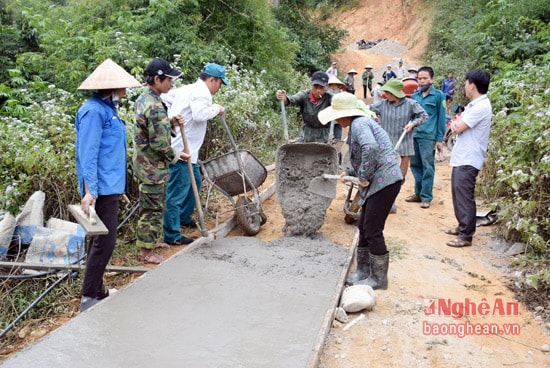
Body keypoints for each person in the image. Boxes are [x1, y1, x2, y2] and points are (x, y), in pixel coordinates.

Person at [318, 92, 403, 290]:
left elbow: (371, 148)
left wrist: (363, 176)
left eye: (338, 115)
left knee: (373, 230)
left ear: (346, 113)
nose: (337, 120)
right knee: (363, 226)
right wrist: (349, 172)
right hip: (380, 181)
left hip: (386, 182)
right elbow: (361, 154)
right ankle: (363, 271)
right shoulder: (358, 125)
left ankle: (379, 278)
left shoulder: (359, 124)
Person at [75, 58, 142, 311]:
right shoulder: (93, 111)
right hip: (100, 188)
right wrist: (90, 191)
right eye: (123, 88)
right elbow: (87, 153)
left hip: (111, 185)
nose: (125, 92)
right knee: (106, 241)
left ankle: (98, 291)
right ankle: (88, 297)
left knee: (100, 241)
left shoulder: (108, 110)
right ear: (111, 88)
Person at [161, 63, 229, 245]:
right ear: (212, 79)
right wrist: (217, 108)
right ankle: (172, 234)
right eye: (220, 84)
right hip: (183, 150)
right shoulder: (202, 92)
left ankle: (183, 217)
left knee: (195, 182)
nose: (219, 88)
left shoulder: (188, 89)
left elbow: (167, 98)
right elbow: (199, 114)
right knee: (177, 192)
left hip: (190, 149)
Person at [133, 57, 190, 264]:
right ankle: (146, 251)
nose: (171, 83)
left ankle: (151, 241)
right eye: (168, 79)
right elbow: (159, 144)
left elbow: (152, 129)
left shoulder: (145, 99)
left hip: (145, 163)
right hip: (152, 167)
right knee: (152, 208)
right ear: (157, 79)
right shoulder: (155, 106)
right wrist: (176, 155)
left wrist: (170, 122)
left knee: (152, 204)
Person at [445, 69, 492, 248]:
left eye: (465, 84)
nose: (464, 87)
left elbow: (457, 126)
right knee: (458, 193)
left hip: (469, 157)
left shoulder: (481, 106)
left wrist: (456, 123)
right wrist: (456, 123)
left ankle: (466, 235)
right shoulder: (474, 104)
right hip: (462, 156)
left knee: (464, 196)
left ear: (472, 85)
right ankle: (462, 226)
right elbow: (456, 122)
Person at [368, 78, 428, 212]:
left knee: (399, 177)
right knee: (384, 174)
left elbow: (424, 116)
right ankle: (386, 201)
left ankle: (391, 200)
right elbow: (368, 110)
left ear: (395, 93)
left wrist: (412, 124)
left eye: (388, 92)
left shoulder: (411, 104)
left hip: (404, 145)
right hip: (386, 145)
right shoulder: (383, 104)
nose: (385, 95)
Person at [408, 66, 446, 209]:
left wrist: (439, 139)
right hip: (414, 135)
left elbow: (441, 118)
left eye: (425, 78)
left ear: (432, 79)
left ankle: (426, 197)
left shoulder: (439, 96)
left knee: (428, 167)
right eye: (420, 78)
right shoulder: (414, 96)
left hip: (428, 137)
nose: (422, 81)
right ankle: (418, 193)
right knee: (415, 165)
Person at [275, 71, 332, 143]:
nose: (318, 90)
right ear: (311, 85)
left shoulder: (329, 98)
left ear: (326, 87)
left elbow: (339, 105)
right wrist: (284, 98)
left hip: (324, 138)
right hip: (306, 137)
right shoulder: (303, 96)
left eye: (321, 88)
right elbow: (292, 100)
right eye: (315, 87)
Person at [326, 76, 345, 140]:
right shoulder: (326, 95)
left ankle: (337, 148)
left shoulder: (341, 95)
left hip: (338, 118)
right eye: (332, 85)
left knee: (338, 137)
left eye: (335, 85)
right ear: (329, 86)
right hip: (329, 118)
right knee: (329, 136)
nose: (333, 87)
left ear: (338, 86)